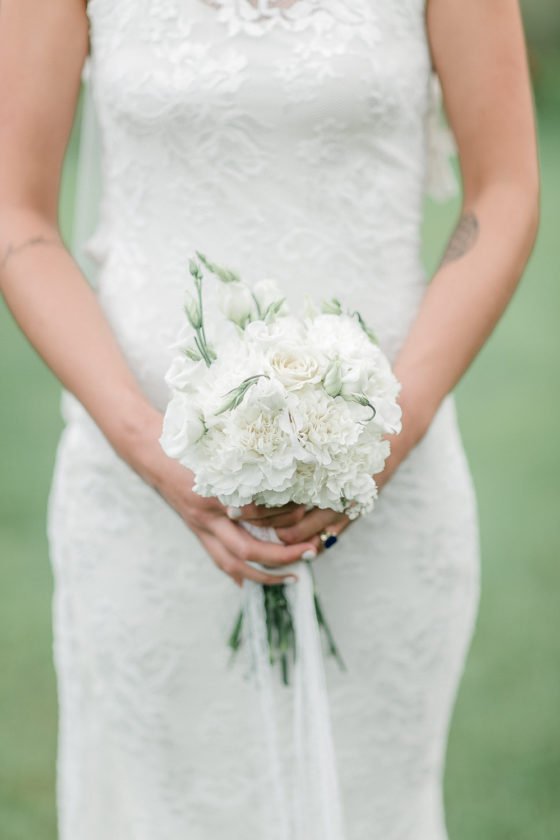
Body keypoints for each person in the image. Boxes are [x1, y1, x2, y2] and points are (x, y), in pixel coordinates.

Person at [0, 1, 539, 838]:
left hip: (390, 495)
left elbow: (505, 189)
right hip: (139, 499)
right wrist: (152, 450)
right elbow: (17, 215)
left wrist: (384, 440)